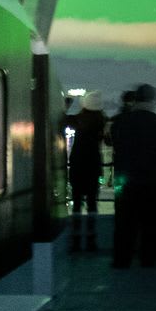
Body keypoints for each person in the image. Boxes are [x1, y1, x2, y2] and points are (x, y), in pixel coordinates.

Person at [106, 83, 156, 268]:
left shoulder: (123, 121)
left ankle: (121, 260)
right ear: (153, 100)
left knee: (124, 222)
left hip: (124, 180)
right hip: (150, 180)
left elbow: (115, 145)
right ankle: (147, 259)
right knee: (149, 223)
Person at [64, 91, 107, 252]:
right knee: (92, 204)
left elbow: (63, 119)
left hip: (77, 166)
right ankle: (91, 240)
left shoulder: (78, 120)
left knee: (76, 203)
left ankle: (75, 240)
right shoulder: (101, 121)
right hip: (94, 166)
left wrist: (66, 104)